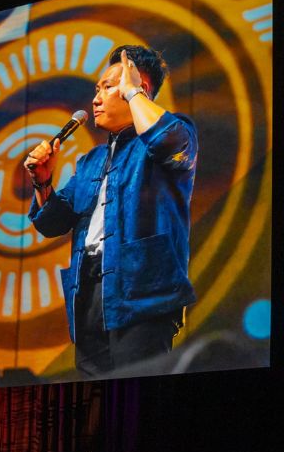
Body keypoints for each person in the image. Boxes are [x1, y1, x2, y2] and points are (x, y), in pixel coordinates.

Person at [24, 45, 198, 377]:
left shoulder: (174, 132)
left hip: (142, 295)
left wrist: (134, 92)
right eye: (96, 89)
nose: (96, 98)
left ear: (139, 87)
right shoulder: (90, 161)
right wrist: (42, 182)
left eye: (108, 87)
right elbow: (52, 223)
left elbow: (169, 145)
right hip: (89, 295)